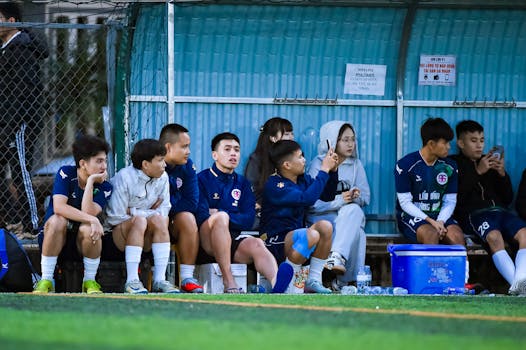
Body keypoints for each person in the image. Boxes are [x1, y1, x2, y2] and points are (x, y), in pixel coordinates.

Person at [197, 132, 292, 293]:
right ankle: (229, 281)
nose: (233, 153)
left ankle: (278, 284)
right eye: (227, 149)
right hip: (206, 242)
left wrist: (220, 212)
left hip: (232, 240)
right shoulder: (201, 179)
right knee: (221, 218)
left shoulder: (242, 183)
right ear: (215, 155)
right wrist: (226, 216)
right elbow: (201, 214)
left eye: (236, 149)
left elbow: (248, 219)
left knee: (256, 243)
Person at [451, 120, 526, 295]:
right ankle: (519, 285)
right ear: (461, 143)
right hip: (475, 215)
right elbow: (458, 198)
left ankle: (520, 283)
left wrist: (501, 174)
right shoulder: (453, 164)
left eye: (482, 140)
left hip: (501, 213)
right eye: (473, 140)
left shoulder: (489, 162)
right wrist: (477, 173)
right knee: (494, 236)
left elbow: (507, 199)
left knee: (524, 234)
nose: (479, 145)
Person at [33, 135, 112, 294]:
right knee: (57, 221)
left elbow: (87, 212)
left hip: (82, 244)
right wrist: (92, 219)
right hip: (54, 240)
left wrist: (90, 182)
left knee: (88, 228)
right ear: (83, 163)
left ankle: (89, 281)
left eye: (105, 160)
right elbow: (59, 208)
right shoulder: (66, 173)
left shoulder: (105, 186)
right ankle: (46, 280)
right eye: (99, 161)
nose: (104, 166)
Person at [260, 140, 339, 294]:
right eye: (300, 157)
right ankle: (288, 279)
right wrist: (323, 169)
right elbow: (306, 199)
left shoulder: (302, 179)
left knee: (326, 227)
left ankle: (313, 280)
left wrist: (333, 171)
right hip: (274, 242)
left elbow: (328, 195)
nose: (304, 160)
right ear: (287, 165)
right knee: (312, 234)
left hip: (298, 241)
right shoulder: (275, 184)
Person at [105, 139, 179, 294]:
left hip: (146, 237)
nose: (164, 165)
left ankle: (160, 280)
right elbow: (115, 217)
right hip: (116, 237)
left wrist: (132, 211)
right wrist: (145, 214)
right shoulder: (124, 178)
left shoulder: (163, 177)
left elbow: (164, 210)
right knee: (139, 222)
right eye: (160, 160)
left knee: (159, 220)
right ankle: (132, 281)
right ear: (145, 164)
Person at [0, 2, 48, 234]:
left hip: (19, 122)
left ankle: (32, 224)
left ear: (11, 22)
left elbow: (24, 92)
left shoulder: (20, 48)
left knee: (20, 172)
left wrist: (11, 126)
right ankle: (12, 218)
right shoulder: (10, 47)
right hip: (8, 122)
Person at [306, 121, 371, 291]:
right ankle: (344, 282)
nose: (350, 144)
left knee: (354, 212)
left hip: (346, 219)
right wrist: (340, 200)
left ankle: (337, 257)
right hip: (322, 221)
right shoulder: (318, 163)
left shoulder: (356, 165)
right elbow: (312, 205)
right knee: (358, 232)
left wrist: (354, 196)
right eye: (344, 140)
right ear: (331, 141)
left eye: (353, 139)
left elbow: (366, 197)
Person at [394, 117, 465, 246]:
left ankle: (461, 267)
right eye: (445, 143)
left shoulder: (450, 166)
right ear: (431, 144)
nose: (449, 147)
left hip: (440, 216)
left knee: (457, 237)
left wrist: (441, 221)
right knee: (431, 234)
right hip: (411, 216)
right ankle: (432, 267)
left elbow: (450, 201)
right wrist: (432, 222)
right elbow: (405, 203)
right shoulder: (406, 165)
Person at [159, 123, 204, 293]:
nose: (188, 151)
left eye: (189, 146)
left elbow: (192, 202)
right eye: (184, 146)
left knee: (187, 218)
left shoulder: (187, 166)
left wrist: (168, 208)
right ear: (168, 147)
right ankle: (155, 278)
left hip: (173, 221)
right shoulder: (150, 163)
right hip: (151, 221)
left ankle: (186, 278)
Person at [244, 117, 294, 229]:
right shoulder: (257, 160)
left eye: (292, 134)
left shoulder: (296, 160)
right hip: (264, 213)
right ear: (273, 138)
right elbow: (252, 191)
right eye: (286, 134)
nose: (291, 138)